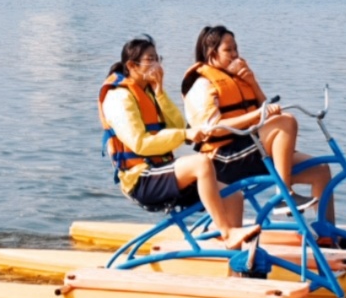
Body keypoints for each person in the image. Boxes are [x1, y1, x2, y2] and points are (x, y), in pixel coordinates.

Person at [100, 35, 259, 249]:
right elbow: (140, 144)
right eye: (150, 59)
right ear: (131, 65)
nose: (156, 64)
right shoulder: (119, 97)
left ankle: (235, 262)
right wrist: (185, 136)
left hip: (160, 170)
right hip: (140, 180)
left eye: (157, 58)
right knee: (201, 163)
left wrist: (160, 92)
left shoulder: (149, 92)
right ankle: (227, 232)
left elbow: (178, 125)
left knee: (233, 195)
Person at [182, 25, 335, 227]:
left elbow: (267, 112)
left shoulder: (238, 79)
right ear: (212, 53)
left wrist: (252, 83)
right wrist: (257, 114)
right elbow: (213, 128)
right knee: (286, 121)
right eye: (228, 50)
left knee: (321, 170)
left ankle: (327, 234)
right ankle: (283, 193)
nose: (235, 54)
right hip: (223, 159)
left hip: (249, 149)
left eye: (236, 49)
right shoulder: (202, 85)